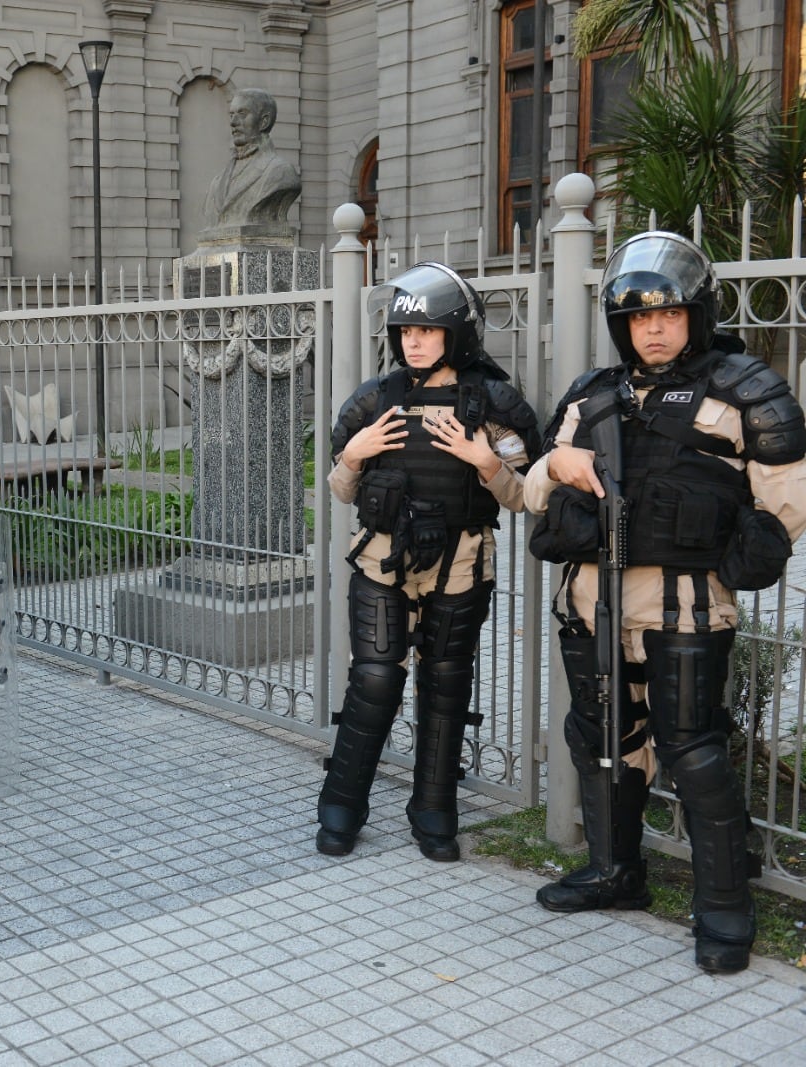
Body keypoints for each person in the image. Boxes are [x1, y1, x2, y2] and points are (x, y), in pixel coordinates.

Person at [525, 232, 806, 974]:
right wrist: (555, 462)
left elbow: (786, 496)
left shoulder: (745, 387)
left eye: (670, 314)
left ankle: (723, 905)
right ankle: (617, 871)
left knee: (693, 746)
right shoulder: (591, 395)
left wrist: (751, 541)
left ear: (697, 315)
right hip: (592, 601)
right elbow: (528, 491)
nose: (653, 328)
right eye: (638, 316)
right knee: (600, 733)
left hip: (685, 604)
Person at [316, 262, 540, 861]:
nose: (413, 342)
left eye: (428, 332)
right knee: (375, 679)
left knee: (446, 685)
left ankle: (434, 806)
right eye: (405, 332)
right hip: (383, 561)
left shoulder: (491, 403)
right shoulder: (374, 400)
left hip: (462, 563)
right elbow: (341, 492)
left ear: (456, 334)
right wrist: (356, 456)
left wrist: (483, 460)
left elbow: (524, 498)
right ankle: (341, 801)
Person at [202, 88, 301, 233]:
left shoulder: (280, 172)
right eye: (231, 115)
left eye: (242, 114)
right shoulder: (216, 183)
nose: (233, 122)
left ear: (264, 122)